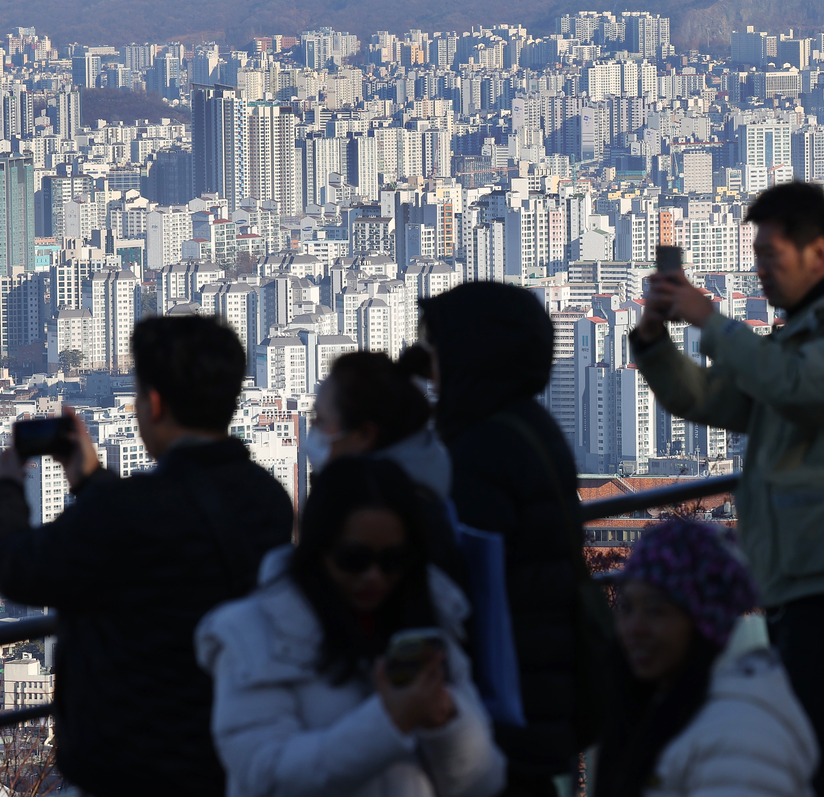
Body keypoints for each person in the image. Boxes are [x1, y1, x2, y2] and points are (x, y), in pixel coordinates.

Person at [629, 181, 824, 797]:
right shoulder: (794, 339)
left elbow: (798, 388)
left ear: (820, 253)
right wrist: (653, 343)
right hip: (793, 577)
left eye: (772, 257)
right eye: (755, 255)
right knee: (820, 752)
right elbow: (706, 398)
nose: (760, 272)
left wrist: (711, 320)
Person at [0, 315, 294, 796]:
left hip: (136, 766)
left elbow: (17, 566)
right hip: (233, 751)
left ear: (156, 403)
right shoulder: (268, 498)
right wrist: (89, 479)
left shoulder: (127, 511)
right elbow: (168, 533)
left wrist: (4, 488)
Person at [195, 457, 505, 797]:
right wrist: (388, 721)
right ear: (318, 550)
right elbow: (265, 777)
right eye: (353, 559)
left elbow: (484, 782)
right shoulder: (251, 634)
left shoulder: (429, 618)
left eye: (393, 561)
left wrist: (445, 722)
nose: (374, 577)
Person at [418, 281, 583, 797]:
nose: (430, 369)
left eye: (437, 352)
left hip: (503, 695)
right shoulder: (530, 426)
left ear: (472, 355)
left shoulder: (481, 448)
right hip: (541, 683)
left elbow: (468, 571)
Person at [594, 520, 818, 797]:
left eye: (655, 611)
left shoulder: (737, 738)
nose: (634, 628)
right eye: (626, 608)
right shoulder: (671, 702)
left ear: (704, 622)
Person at [305, 350, 466, 587]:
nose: (314, 431)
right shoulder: (426, 492)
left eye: (320, 419)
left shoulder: (391, 521)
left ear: (364, 435)